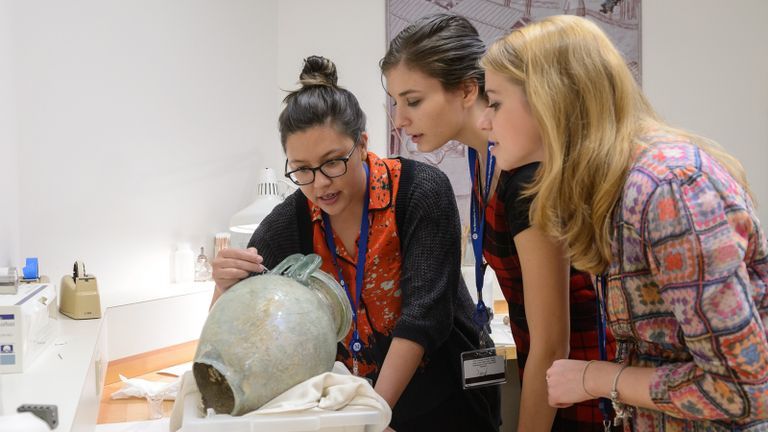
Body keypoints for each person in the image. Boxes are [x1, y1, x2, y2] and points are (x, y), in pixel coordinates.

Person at [479, 14, 768, 430]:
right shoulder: (610, 190)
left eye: (496, 101)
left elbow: (742, 388)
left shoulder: (668, 188)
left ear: (550, 99)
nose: (485, 120)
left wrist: (594, 377)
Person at [211, 55, 501, 432]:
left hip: (442, 400)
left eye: (333, 162)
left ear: (362, 144)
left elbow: (423, 318)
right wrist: (224, 287)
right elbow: (235, 329)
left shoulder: (420, 192)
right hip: (357, 409)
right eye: (301, 169)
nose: (320, 184)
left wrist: (374, 416)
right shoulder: (293, 218)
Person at [381, 13, 614, 431]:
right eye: (395, 103)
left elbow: (553, 340)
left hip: (578, 389)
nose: (399, 120)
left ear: (469, 90)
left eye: (413, 101)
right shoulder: (485, 159)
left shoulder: (523, 174)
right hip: (544, 375)